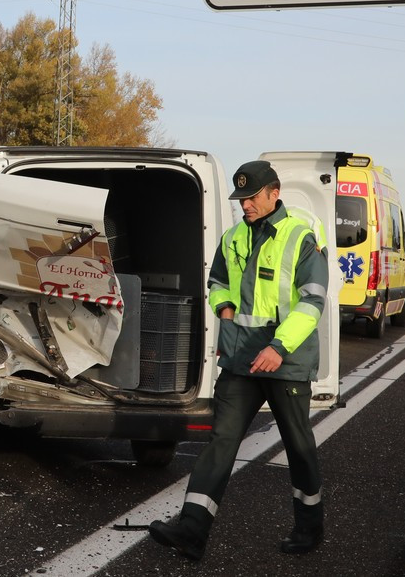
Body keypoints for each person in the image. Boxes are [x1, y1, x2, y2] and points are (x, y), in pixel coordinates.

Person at [149, 160, 329, 561]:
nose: (245, 204)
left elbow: (312, 302)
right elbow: (216, 281)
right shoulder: (232, 236)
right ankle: (192, 530)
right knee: (221, 441)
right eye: (241, 198)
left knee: (298, 446)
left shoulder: (301, 237)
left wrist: (278, 348)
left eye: (251, 197)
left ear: (274, 194)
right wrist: (226, 310)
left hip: (286, 361)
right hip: (240, 360)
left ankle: (309, 527)